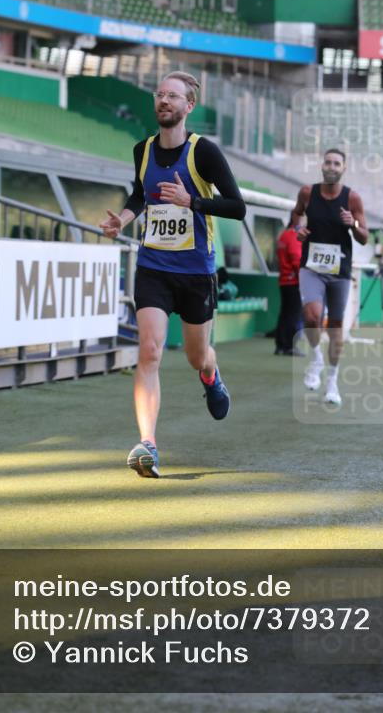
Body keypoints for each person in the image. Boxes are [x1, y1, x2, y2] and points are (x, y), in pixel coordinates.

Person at [100, 71, 246, 478]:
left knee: (198, 355)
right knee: (149, 351)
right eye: (160, 94)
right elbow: (139, 194)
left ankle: (211, 376)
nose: (164, 101)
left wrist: (192, 200)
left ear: (188, 106)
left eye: (173, 96)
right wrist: (125, 220)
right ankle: (148, 445)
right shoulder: (142, 150)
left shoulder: (205, 152)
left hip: (196, 273)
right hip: (153, 269)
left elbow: (237, 207)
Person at [291, 149, 368, 406]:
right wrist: (298, 229)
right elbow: (295, 215)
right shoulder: (307, 192)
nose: (331, 166)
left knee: (336, 330)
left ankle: (332, 383)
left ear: (343, 168)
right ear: (322, 165)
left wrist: (353, 225)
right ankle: (316, 358)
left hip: (339, 271)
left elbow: (364, 237)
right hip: (311, 266)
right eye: (328, 162)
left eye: (336, 163)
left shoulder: (352, 198)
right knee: (311, 315)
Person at [274, 219, 303, 355]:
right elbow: (296, 258)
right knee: (293, 314)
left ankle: (280, 345)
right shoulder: (293, 236)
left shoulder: (283, 235)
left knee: (285, 313)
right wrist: (303, 278)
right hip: (293, 281)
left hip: (284, 280)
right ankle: (289, 346)